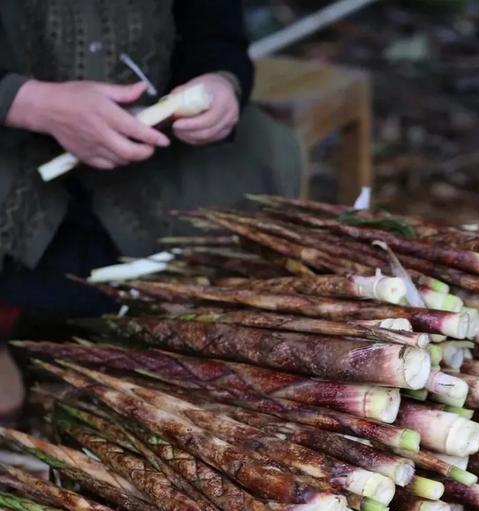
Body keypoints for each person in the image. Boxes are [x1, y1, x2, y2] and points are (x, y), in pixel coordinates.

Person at [0, 1, 303, 420]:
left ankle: (179, 334)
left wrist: (219, 83)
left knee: (263, 153)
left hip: (154, 144)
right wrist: (31, 103)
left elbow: (215, 32)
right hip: (12, 144)